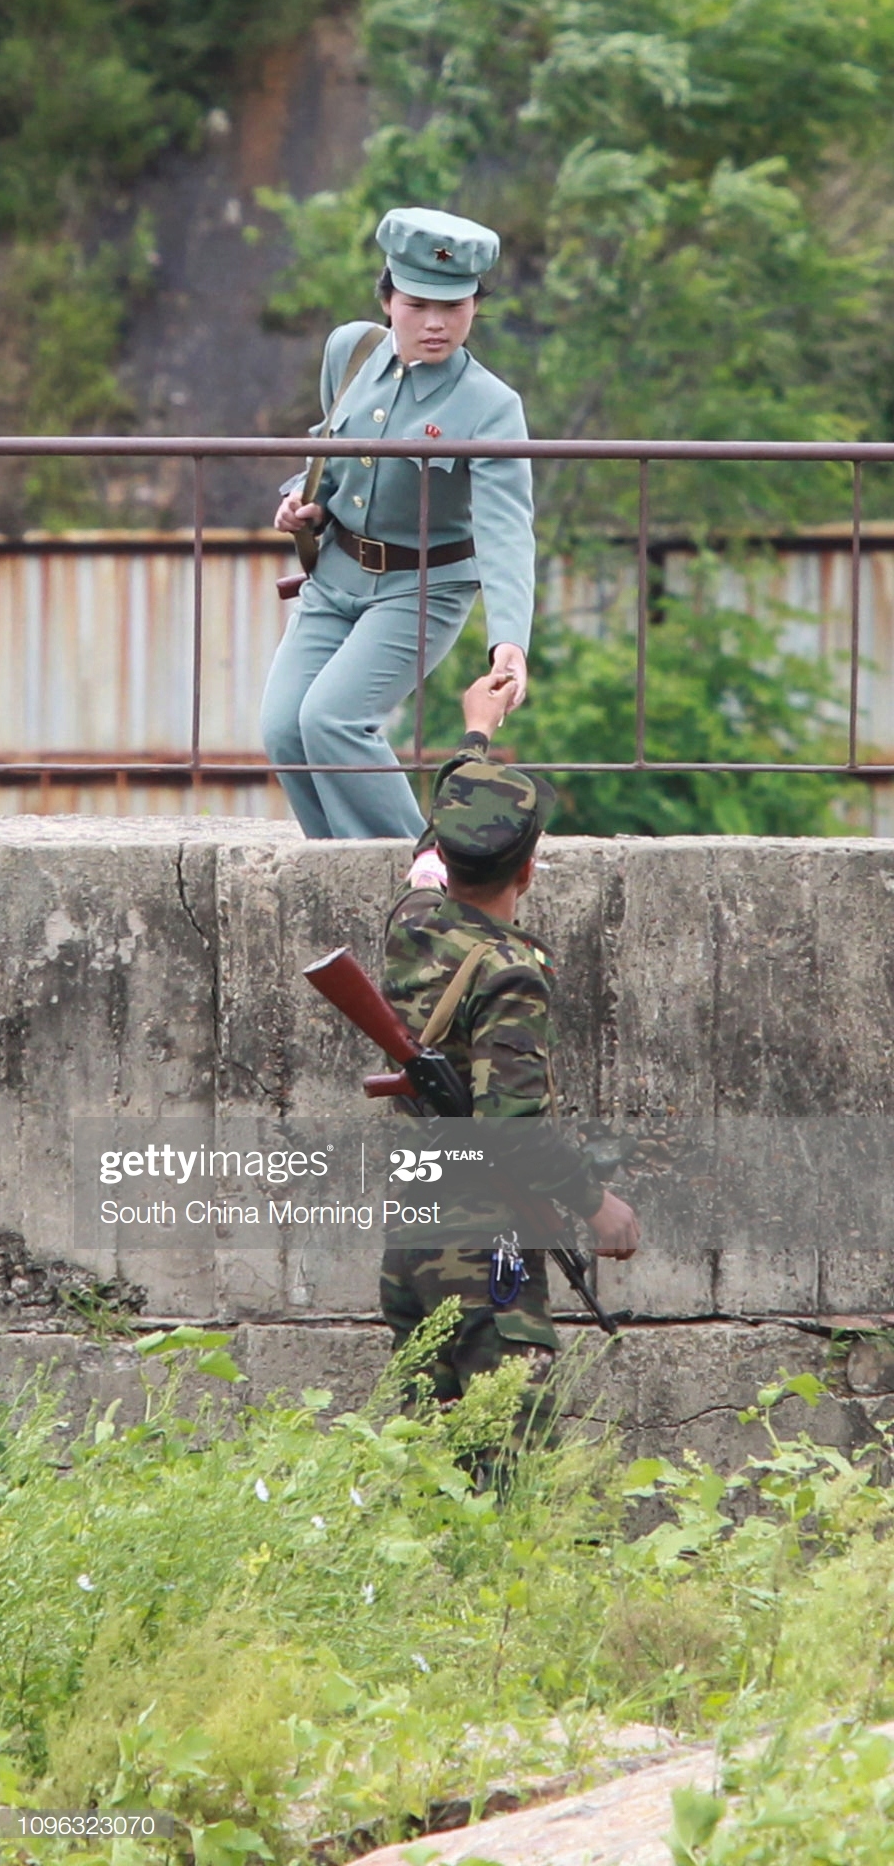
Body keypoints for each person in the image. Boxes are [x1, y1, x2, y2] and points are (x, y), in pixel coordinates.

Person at [379, 670, 640, 1436]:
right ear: (528, 870)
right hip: (483, 1239)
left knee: (427, 1459)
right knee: (508, 1458)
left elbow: (444, 825)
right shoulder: (510, 973)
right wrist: (599, 1206)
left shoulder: (415, 919)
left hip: (416, 1232)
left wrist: (476, 732)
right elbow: (513, 1129)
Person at [260, 206, 535, 839]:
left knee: (332, 720)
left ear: (474, 305)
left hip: (423, 588)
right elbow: (328, 454)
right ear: (387, 298)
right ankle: (338, 871)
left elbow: (506, 529)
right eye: (417, 305)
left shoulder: (491, 407)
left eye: (456, 307)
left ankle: (421, 881)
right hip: (334, 576)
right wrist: (306, 503)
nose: (436, 324)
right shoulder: (349, 351)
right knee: (283, 727)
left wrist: (509, 642)